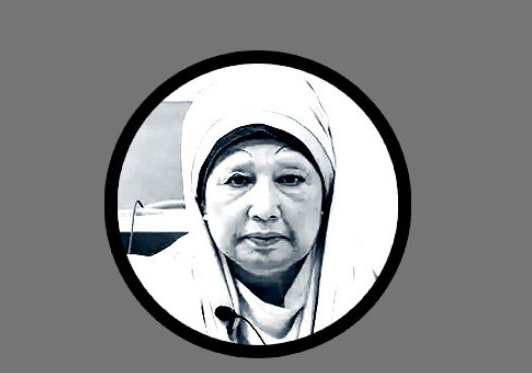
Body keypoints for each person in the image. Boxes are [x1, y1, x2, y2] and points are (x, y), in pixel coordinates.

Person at [129, 67, 378, 345]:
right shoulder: (149, 291)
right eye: (238, 180)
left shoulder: (368, 287)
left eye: (290, 178)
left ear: (325, 196)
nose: (265, 209)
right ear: (201, 202)